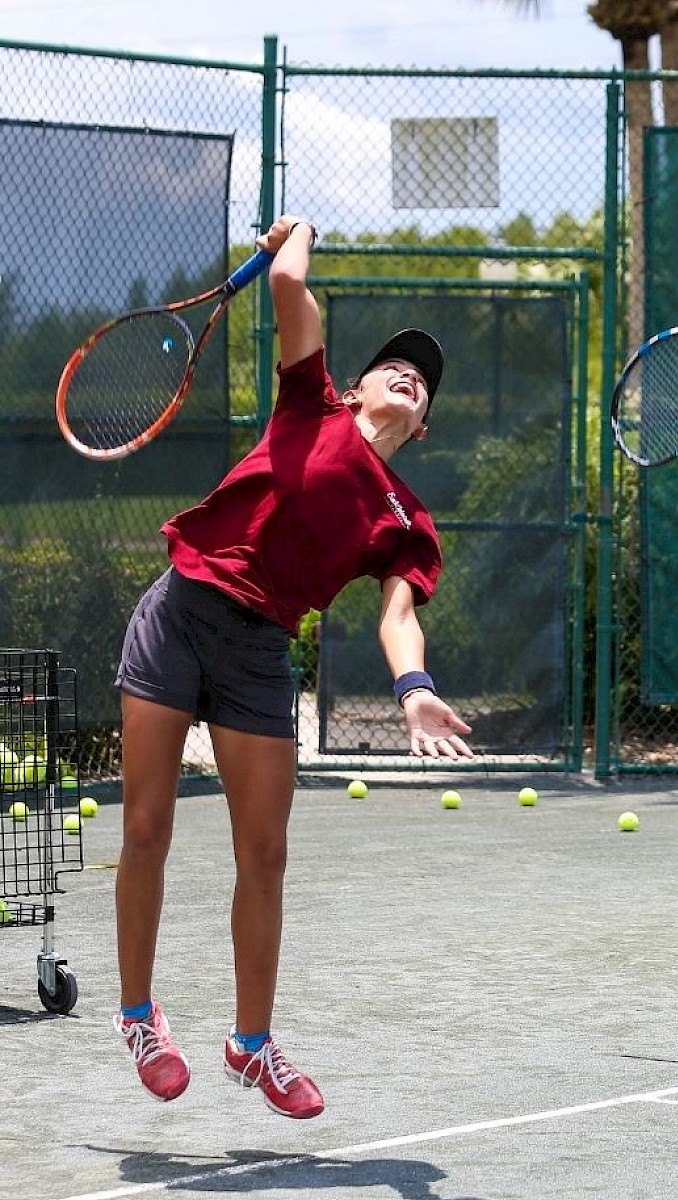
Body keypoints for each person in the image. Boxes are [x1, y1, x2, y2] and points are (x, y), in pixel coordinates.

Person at [111, 214, 473, 1118]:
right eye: (397, 365)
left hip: (259, 653)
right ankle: (138, 1016)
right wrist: (297, 234)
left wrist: (415, 689)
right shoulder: (308, 403)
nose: (411, 376)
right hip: (179, 614)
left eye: (424, 382)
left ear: (422, 425)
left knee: (264, 855)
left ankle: (251, 1044)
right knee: (148, 828)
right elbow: (286, 289)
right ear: (353, 388)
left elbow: (398, 617)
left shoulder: (407, 521)